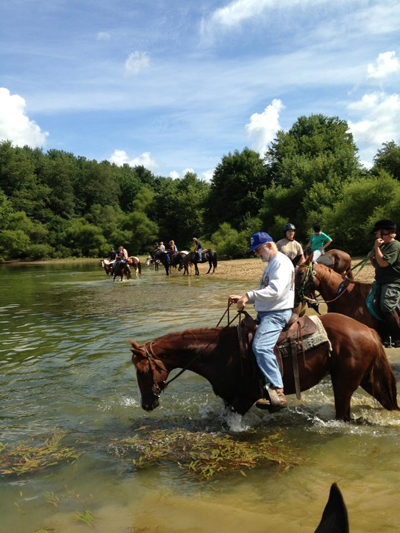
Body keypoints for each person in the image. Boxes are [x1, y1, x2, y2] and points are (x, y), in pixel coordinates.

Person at [229, 232, 295, 409]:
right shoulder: (271, 264)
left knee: (261, 346)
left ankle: (277, 390)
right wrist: (244, 298)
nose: (257, 253)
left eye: (258, 249)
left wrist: (248, 295)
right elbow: (265, 293)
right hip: (267, 312)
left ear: (270, 245)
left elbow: (275, 291)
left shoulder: (280, 263)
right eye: (255, 250)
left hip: (276, 314)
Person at [369, 219, 400, 347]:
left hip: (393, 282)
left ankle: (398, 336)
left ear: (385, 232)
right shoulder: (383, 246)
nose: (376, 235)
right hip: (380, 282)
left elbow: (384, 263)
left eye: (378, 232)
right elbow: (376, 264)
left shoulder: (395, 245)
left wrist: (377, 248)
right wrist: (375, 252)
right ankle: (384, 333)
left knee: (386, 305)